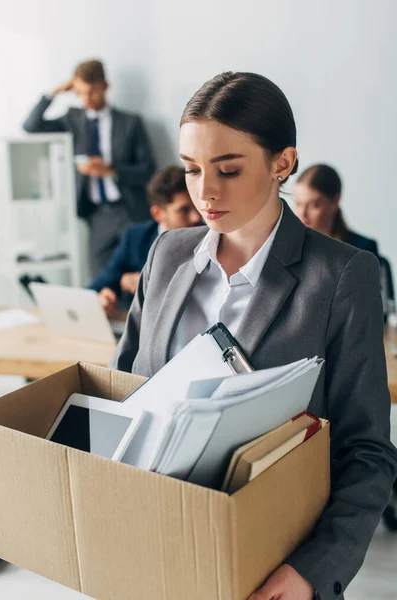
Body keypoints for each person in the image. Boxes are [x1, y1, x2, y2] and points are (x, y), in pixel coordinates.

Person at [111, 72, 397, 599]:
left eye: (228, 169)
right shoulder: (166, 254)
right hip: (150, 553)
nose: (205, 192)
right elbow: (124, 397)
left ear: (282, 163)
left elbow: (367, 452)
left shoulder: (342, 275)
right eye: (192, 170)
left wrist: (312, 571)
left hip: (269, 570)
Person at [23, 59, 156, 276]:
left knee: (143, 277)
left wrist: (111, 169)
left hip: (130, 210)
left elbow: (149, 170)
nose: (86, 99)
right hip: (97, 216)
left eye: (92, 92)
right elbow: (31, 126)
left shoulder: (130, 122)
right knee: (101, 280)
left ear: (105, 86)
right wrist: (55, 92)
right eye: (80, 93)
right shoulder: (72, 119)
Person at [89, 165, 202, 315]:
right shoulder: (136, 236)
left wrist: (148, 285)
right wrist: (102, 297)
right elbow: (101, 283)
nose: (196, 217)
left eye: (197, 206)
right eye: (184, 210)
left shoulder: (209, 237)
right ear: (157, 214)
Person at [294, 164, 379, 256]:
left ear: (335, 201)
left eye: (314, 205)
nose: (303, 213)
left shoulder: (363, 249)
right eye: (298, 204)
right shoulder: (287, 246)